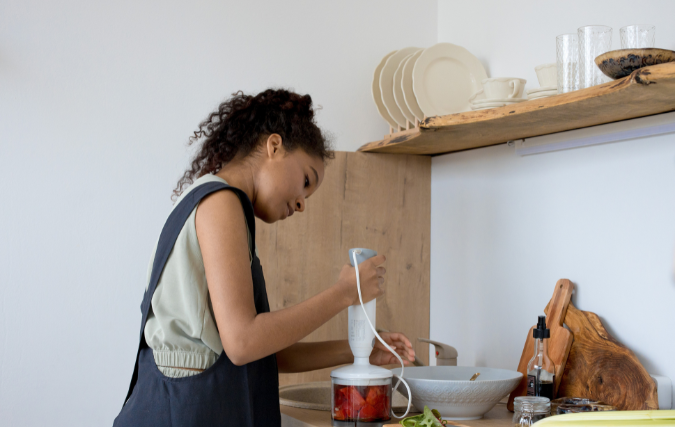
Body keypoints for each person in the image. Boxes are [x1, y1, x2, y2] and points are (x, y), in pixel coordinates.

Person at [114, 89, 416, 426]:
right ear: (274, 146)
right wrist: (344, 293)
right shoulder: (221, 202)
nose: (302, 203)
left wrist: (359, 350)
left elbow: (261, 350)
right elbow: (244, 342)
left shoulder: (219, 203)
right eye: (305, 180)